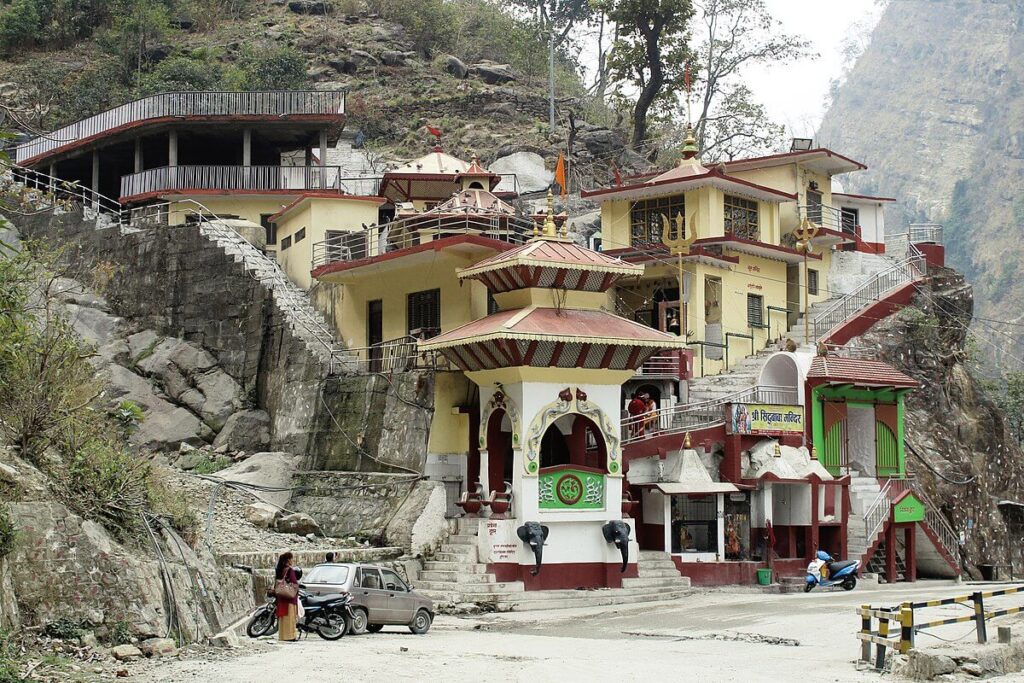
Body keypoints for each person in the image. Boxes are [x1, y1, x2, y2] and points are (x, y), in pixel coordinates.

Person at [274, 552, 300, 642]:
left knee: (283, 618)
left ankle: (283, 636)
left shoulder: (279, 570)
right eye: (291, 558)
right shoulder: (289, 570)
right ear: (288, 560)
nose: (292, 560)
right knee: (290, 618)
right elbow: (294, 582)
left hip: (281, 596)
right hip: (289, 597)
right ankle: (290, 636)